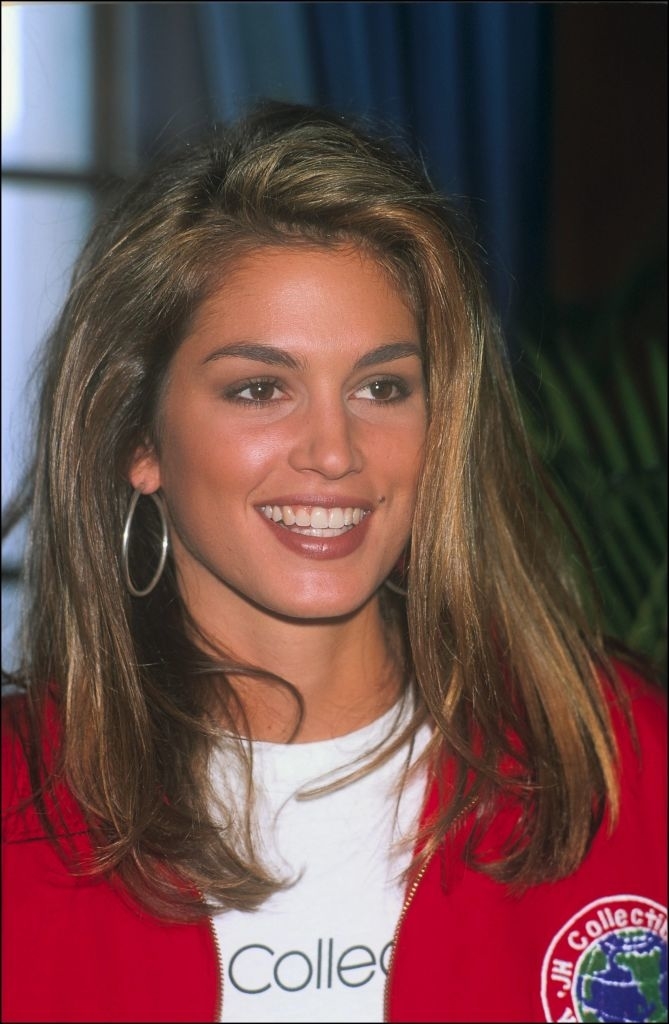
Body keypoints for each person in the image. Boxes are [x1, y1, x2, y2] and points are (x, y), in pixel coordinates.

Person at [2, 101, 666, 1024]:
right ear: (136, 438)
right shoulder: (18, 815)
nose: (334, 449)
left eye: (381, 387)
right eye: (260, 388)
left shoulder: (625, 760)